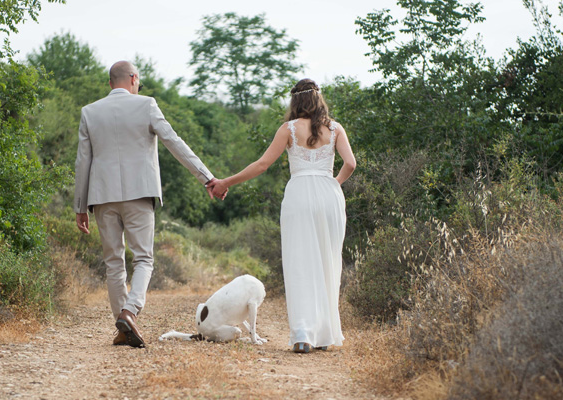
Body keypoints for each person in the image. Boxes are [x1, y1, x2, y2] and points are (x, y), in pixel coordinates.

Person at [74, 60, 226, 348]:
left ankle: (122, 326)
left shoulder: (89, 112)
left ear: (110, 83)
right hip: (139, 194)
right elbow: (174, 141)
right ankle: (130, 312)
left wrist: (79, 206)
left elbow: (83, 162)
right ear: (134, 78)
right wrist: (207, 177)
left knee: (113, 263)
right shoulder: (146, 105)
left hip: (102, 197)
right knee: (143, 258)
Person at [212, 79, 356, 353]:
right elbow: (350, 164)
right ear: (318, 99)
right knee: (328, 263)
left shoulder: (288, 129)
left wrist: (226, 182)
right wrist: (332, 184)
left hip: (299, 194)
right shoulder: (335, 128)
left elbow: (263, 164)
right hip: (329, 195)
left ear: (295, 102)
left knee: (300, 263)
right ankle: (324, 335)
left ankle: (303, 334)